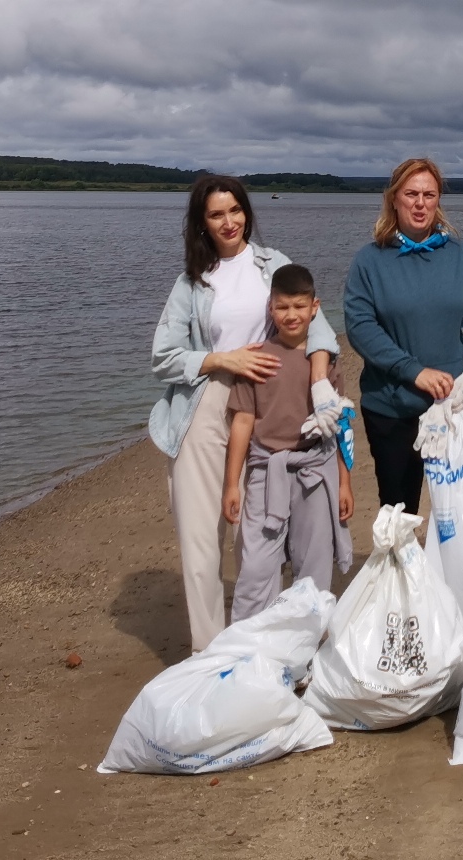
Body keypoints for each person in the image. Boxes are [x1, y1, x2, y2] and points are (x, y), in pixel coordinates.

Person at [150, 174, 341, 652]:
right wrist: (222, 359)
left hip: (263, 406)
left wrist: (319, 383)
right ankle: (209, 654)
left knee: (256, 536)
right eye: (216, 214)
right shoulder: (191, 282)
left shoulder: (272, 263)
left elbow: (319, 328)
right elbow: (163, 356)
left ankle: (265, 645)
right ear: (202, 223)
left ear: (247, 213)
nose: (229, 221)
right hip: (205, 403)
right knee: (201, 541)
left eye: (235, 210)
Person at [342, 157, 463, 514]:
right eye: (411, 194)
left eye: (429, 195)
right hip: (394, 407)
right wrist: (414, 371)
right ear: (393, 199)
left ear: (438, 200)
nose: (420, 203)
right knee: (400, 514)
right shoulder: (369, 261)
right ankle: (404, 570)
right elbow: (360, 326)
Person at [223, 264, 355, 620]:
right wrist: (232, 484)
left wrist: (344, 482)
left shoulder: (326, 362)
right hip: (267, 470)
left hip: (315, 468)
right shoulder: (258, 358)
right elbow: (243, 422)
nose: (291, 315)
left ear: (315, 307)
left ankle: (305, 652)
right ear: (270, 308)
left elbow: (340, 424)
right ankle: (248, 646)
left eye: (299, 307)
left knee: (313, 566)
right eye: (282, 307)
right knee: (255, 568)